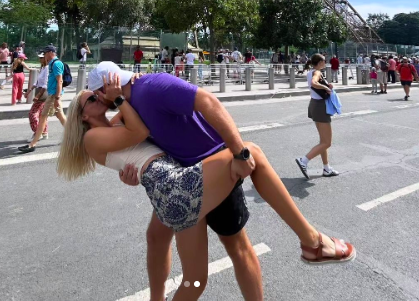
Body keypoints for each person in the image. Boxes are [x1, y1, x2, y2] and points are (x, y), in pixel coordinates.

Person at [57, 69, 355, 301]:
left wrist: (127, 86)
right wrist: (121, 96)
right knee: (253, 155)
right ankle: (312, 241)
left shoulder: (115, 122)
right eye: (93, 99)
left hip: (173, 195)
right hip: (180, 184)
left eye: (97, 95)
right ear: (82, 115)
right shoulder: (93, 137)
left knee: (195, 277)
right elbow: (141, 129)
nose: (100, 98)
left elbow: (135, 133)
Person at [295, 54, 339, 179]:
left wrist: (326, 85)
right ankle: (303, 160)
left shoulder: (310, 72)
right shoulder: (317, 72)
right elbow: (314, 83)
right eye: (324, 61)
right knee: (327, 142)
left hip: (314, 105)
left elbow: (314, 83)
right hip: (320, 107)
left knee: (323, 141)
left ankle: (326, 168)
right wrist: (326, 87)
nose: (325, 63)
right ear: (319, 62)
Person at [18, 45, 67, 153]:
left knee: (43, 117)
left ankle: (33, 144)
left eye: (45, 53)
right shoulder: (51, 64)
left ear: (50, 52)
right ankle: (75, 135)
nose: (44, 56)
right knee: (59, 116)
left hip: (54, 95)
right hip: (52, 94)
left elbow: (60, 81)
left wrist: (57, 97)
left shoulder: (56, 63)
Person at [25, 52, 49, 141]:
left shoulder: (47, 68)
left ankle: (37, 132)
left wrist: (38, 95)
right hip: (39, 91)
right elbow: (37, 82)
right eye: (40, 58)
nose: (40, 59)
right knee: (42, 115)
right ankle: (44, 132)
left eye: (42, 58)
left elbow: (45, 84)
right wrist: (29, 91)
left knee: (32, 113)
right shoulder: (42, 68)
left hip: (43, 93)